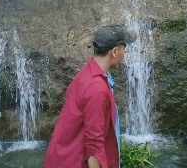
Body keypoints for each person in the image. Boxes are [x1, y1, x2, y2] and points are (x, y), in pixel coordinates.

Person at [43, 24, 137, 168]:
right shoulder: (96, 89)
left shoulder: (87, 73)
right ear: (115, 51)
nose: (125, 53)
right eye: (125, 48)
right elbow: (94, 148)